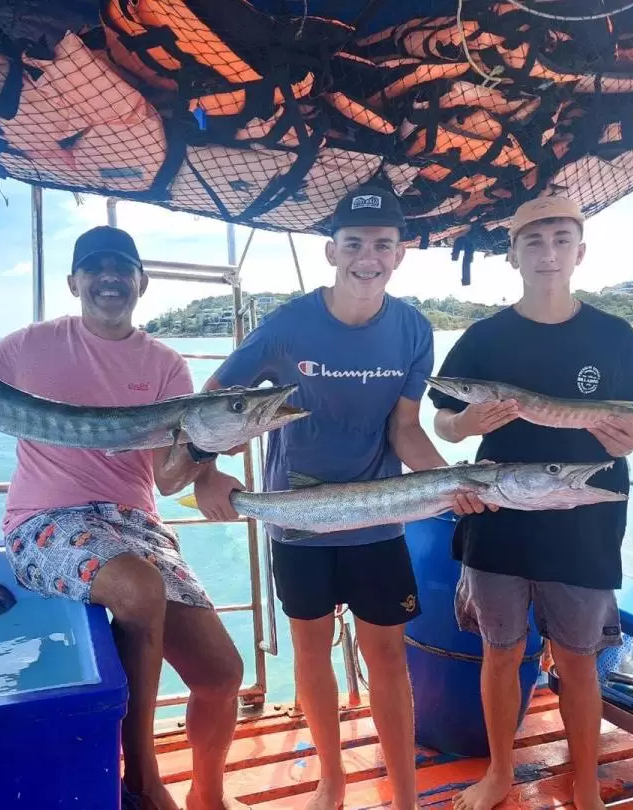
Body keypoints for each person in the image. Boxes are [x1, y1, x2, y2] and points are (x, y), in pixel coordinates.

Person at [0, 225, 249, 810]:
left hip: (134, 524)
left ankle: (209, 798)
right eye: (95, 269)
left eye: (122, 268)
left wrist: (205, 448)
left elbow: (168, 480)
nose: (109, 278)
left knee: (222, 674)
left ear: (141, 282)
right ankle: (141, 781)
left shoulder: (166, 365)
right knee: (139, 588)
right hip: (45, 519)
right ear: (75, 283)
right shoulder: (30, 346)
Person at [192, 184, 490, 810]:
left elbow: (405, 429)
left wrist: (452, 482)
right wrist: (206, 472)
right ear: (332, 251)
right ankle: (332, 781)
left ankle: (404, 794)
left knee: (387, 657)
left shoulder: (412, 330)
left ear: (400, 254)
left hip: (378, 521)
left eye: (383, 244)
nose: (368, 256)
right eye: (354, 243)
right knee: (310, 651)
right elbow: (212, 402)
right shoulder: (287, 326)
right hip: (296, 521)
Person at [429, 196, 633, 810]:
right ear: (512, 255)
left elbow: (632, 425)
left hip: (587, 521)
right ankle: (499, 772)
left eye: (560, 239)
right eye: (533, 241)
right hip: (497, 516)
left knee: (579, 661)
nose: (547, 252)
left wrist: (628, 437)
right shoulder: (483, 338)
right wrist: (465, 423)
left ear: (579, 252)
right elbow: (444, 423)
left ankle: (586, 786)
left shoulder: (617, 337)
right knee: (500, 652)